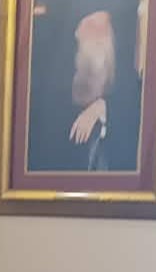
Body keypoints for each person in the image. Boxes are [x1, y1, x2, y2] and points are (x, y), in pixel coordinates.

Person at [27, 0, 144, 173]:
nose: (79, 32)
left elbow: (140, 99)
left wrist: (104, 107)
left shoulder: (124, 38)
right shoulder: (56, 62)